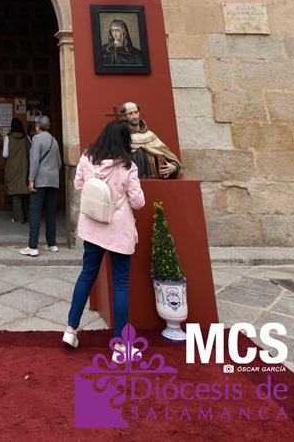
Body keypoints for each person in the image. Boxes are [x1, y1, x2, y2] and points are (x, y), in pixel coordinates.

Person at [63, 120, 145, 358]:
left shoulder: (87, 158)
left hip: (93, 226)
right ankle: (120, 343)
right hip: (117, 229)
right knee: (120, 283)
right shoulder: (127, 166)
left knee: (87, 274)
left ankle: (71, 329)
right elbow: (138, 202)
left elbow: (79, 186)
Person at [20, 115, 62, 256]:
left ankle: (32, 246)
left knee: (35, 212)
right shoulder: (54, 140)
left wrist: (31, 179)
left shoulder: (37, 139)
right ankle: (52, 244)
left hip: (40, 180)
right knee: (50, 213)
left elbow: (34, 161)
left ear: (38, 126)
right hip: (53, 180)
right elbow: (59, 162)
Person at [119, 102, 182, 178]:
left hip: (152, 180)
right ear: (124, 117)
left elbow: (168, 156)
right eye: (130, 113)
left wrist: (174, 167)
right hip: (130, 181)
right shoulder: (122, 137)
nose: (134, 116)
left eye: (136, 112)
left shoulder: (150, 136)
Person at [3, 117, 30, 224]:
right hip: (25, 167)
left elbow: (5, 154)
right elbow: (30, 152)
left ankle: (18, 218)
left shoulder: (8, 138)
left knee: (16, 193)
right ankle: (28, 217)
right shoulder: (26, 137)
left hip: (12, 167)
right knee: (25, 192)